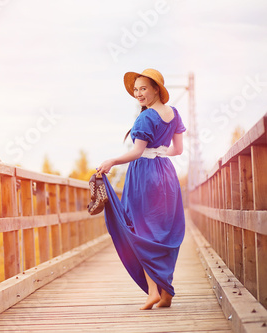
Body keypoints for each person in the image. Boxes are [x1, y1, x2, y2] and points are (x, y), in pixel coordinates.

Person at [97, 68, 186, 310]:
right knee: (164, 231)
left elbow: (137, 152)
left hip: (144, 176)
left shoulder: (145, 118)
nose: (138, 94)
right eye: (136, 90)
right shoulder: (174, 114)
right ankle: (166, 291)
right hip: (166, 174)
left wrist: (111, 161)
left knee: (140, 231)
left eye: (144, 88)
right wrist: (158, 154)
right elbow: (177, 150)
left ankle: (152, 291)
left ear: (157, 89)